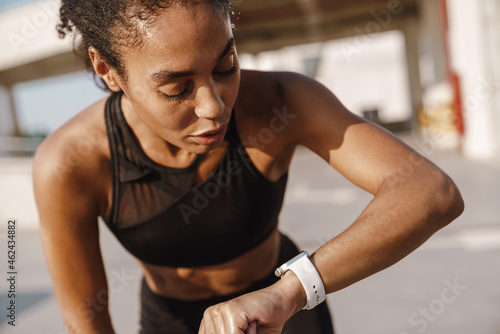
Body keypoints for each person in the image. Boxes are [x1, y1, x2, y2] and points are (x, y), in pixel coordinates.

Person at [32, 0, 464, 333]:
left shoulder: (281, 101)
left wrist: (289, 291)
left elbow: (430, 190)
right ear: (107, 70)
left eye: (226, 66)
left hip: (288, 313)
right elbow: (86, 321)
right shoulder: (69, 164)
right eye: (178, 89)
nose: (215, 106)